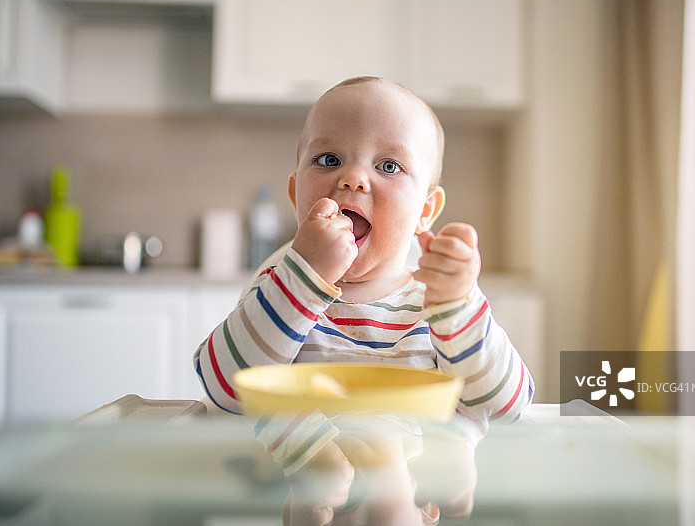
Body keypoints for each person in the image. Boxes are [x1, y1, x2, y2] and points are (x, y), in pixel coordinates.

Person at [193, 76, 534, 524]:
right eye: (329, 159)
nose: (352, 178)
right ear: (297, 196)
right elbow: (224, 388)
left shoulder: (437, 298)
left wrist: (460, 308)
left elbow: (507, 405)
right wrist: (305, 275)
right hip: (307, 472)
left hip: (411, 472)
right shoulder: (280, 286)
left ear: (426, 211)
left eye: (388, 166)